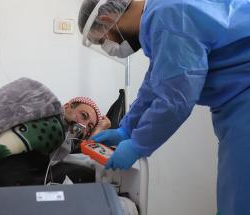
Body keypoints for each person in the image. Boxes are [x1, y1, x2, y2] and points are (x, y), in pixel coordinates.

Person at [77, 0, 250, 214]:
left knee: (240, 200)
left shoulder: (166, 15)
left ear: (107, 19)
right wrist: (126, 129)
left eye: (103, 41)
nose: (110, 48)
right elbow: (154, 85)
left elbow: (176, 99)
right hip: (236, 102)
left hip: (244, 99)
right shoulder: (160, 18)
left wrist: (138, 144)